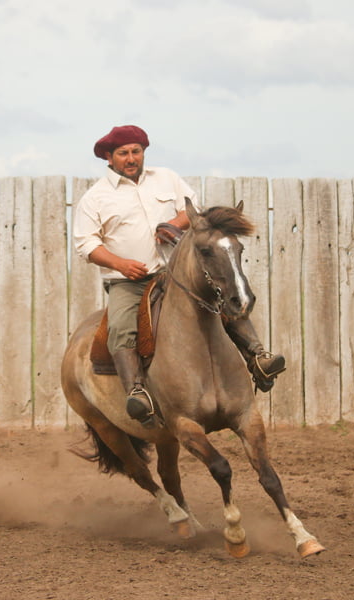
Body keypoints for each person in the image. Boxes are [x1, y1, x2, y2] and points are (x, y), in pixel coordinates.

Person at [72, 124, 285, 428]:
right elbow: (87, 244)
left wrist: (172, 223)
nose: (131, 158)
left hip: (173, 273)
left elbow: (192, 211)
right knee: (120, 325)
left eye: (136, 151)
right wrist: (120, 264)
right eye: (123, 153)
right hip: (128, 281)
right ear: (109, 157)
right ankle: (137, 391)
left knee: (224, 296)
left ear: (143, 152)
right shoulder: (96, 197)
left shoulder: (167, 178)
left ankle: (259, 358)